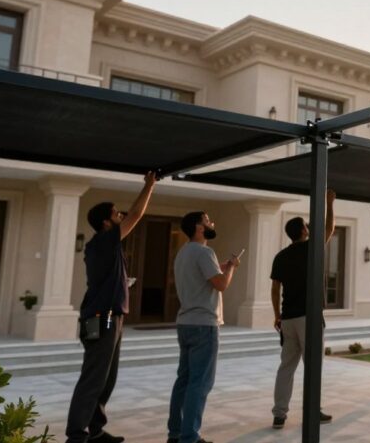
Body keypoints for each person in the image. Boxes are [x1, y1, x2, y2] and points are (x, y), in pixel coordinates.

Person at [65, 171, 157, 443]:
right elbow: (137, 215)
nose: (121, 215)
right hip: (101, 318)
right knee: (94, 378)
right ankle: (76, 435)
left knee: (106, 378)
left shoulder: (104, 248)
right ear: (106, 222)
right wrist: (149, 185)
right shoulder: (105, 241)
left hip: (109, 316)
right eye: (117, 214)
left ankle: (94, 430)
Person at [166, 211, 240, 443]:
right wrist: (232, 268)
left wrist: (220, 267)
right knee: (200, 383)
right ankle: (190, 437)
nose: (212, 223)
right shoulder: (204, 251)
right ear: (199, 227)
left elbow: (203, 278)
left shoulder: (184, 252)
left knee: (184, 381)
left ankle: (176, 433)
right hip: (203, 325)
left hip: (185, 323)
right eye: (208, 220)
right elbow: (220, 284)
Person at [270, 189, 336, 429]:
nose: (310, 228)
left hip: (287, 319)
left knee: (286, 367)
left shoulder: (281, 256)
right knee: (313, 366)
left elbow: (275, 290)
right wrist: (329, 203)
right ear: (304, 231)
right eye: (307, 226)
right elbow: (329, 229)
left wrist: (277, 315)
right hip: (308, 317)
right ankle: (313, 410)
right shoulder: (312, 248)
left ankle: (279, 414)